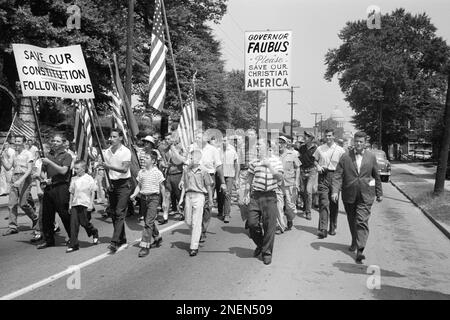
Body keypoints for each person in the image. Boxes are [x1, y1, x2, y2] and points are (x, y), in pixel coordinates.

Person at [332, 131, 383, 263]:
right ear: (354, 142)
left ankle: (360, 250)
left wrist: (379, 192)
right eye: (356, 141)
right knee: (351, 219)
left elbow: (376, 175)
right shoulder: (345, 156)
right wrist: (335, 191)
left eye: (361, 142)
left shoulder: (371, 157)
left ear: (365, 143)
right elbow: (338, 175)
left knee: (361, 220)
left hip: (366, 194)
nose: (358, 144)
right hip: (349, 194)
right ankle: (354, 240)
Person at [243, 139, 283, 265]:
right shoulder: (254, 162)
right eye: (257, 145)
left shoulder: (276, 161)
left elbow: (280, 178)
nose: (257, 147)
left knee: (269, 226)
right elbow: (249, 179)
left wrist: (269, 166)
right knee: (252, 223)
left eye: (260, 144)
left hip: (270, 196)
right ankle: (261, 244)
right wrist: (245, 194)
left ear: (268, 147)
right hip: (256, 196)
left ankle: (267, 253)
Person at [99, 129, 132, 254]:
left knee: (119, 212)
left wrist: (109, 166)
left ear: (120, 138)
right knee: (113, 212)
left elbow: (124, 169)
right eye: (110, 136)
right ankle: (122, 238)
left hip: (124, 184)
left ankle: (114, 242)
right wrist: (106, 182)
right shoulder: (107, 151)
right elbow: (106, 170)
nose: (111, 139)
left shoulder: (125, 151)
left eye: (114, 137)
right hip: (112, 183)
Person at [37, 134, 73, 249]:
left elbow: (63, 171)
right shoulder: (48, 155)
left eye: (58, 141)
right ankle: (49, 240)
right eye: (53, 141)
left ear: (63, 143)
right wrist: (44, 178)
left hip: (61, 188)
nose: (55, 143)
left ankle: (72, 237)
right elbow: (42, 171)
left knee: (64, 215)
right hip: (49, 187)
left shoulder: (67, 156)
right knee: (46, 216)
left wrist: (50, 162)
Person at [178, 149, 213, 257]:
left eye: (191, 158)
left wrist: (211, 200)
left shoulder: (203, 171)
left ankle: (194, 246)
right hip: (188, 196)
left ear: (198, 159)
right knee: (188, 221)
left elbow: (208, 186)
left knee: (196, 222)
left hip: (199, 196)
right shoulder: (186, 170)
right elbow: (184, 185)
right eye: (190, 157)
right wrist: (181, 199)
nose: (190, 159)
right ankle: (196, 236)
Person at [1, 135, 38, 235]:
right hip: (15, 177)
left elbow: (29, 169)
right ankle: (12, 226)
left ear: (24, 142)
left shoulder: (28, 154)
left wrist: (20, 180)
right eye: (16, 141)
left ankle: (35, 218)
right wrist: (2, 158)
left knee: (23, 204)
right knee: (12, 204)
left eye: (19, 141)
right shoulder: (14, 154)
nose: (17, 143)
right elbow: (8, 167)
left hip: (25, 178)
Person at [130, 151, 164, 257]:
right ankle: (157, 237)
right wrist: (134, 194)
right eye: (144, 158)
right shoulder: (141, 172)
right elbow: (139, 186)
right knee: (147, 220)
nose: (144, 160)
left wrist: (165, 203)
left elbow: (162, 187)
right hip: (143, 199)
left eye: (147, 158)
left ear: (153, 161)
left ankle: (145, 246)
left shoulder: (157, 172)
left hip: (154, 198)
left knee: (148, 222)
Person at [313, 128, 346, 239]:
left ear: (334, 136)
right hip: (323, 177)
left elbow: (344, 165)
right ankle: (323, 229)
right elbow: (315, 160)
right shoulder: (320, 149)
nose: (328, 138)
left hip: (336, 177)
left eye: (330, 135)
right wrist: (317, 166)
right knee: (323, 202)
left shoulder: (340, 150)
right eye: (326, 135)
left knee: (334, 203)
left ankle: (333, 226)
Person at [67, 160, 99, 253]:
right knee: (73, 224)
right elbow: (71, 193)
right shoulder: (74, 179)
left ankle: (94, 232)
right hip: (75, 203)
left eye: (77, 169)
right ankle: (74, 244)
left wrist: (91, 204)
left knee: (84, 223)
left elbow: (93, 191)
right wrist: (70, 205)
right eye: (75, 168)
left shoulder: (88, 178)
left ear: (83, 168)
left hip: (85, 203)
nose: (75, 170)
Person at [199, 133, 226, 243]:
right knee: (195, 204)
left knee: (206, 204)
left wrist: (223, 182)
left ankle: (203, 230)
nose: (198, 138)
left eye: (200, 136)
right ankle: (197, 227)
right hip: (195, 177)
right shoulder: (192, 148)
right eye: (196, 136)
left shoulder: (213, 150)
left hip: (209, 177)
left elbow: (218, 166)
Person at [277, 136, 300, 233]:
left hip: (289, 183)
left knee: (290, 207)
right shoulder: (274, 155)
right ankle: (281, 226)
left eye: (282, 142)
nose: (280, 144)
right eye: (278, 142)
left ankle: (290, 219)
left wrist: (297, 182)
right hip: (277, 184)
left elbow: (298, 167)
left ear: (286, 144)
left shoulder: (292, 154)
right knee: (279, 206)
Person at [216, 136, 239, 223]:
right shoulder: (218, 151)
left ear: (228, 141)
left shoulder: (232, 151)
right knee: (220, 194)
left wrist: (236, 178)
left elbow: (236, 164)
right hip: (219, 175)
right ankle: (220, 211)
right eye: (222, 141)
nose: (223, 142)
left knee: (227, 194)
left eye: (225, 140)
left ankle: (226, 214)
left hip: (229, 175)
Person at [299, 131, 318, 220]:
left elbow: (317, 160)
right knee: (302, 191)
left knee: (308, 191)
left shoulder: (315, 149)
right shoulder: (301, 148)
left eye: (307, 136)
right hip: (302, 171)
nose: (305, 138)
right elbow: (298, 158)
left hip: (311, 171)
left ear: (311, 138)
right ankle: (306, 205)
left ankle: (308, 212)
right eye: (305, 136)